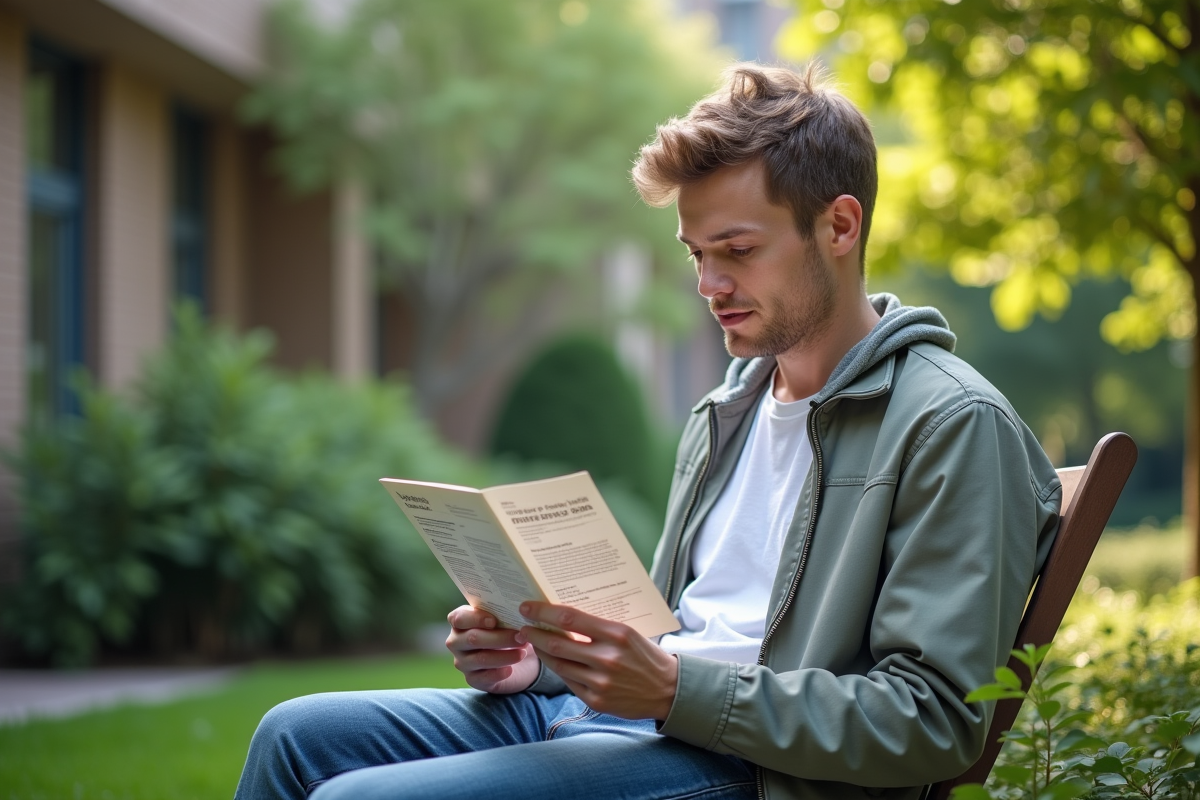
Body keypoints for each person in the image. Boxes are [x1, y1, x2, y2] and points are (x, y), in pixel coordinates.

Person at [234, 63, 1061, 800]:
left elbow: (931, 723)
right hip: (627, 725)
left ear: (839, 228)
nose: (709, 284)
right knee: (293, 734)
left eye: (736, 250)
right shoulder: (727, 413)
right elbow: (676, 636)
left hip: (754, 768)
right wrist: (537, 661)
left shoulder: (951, 423)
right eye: (696, 253)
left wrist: (671, 694)